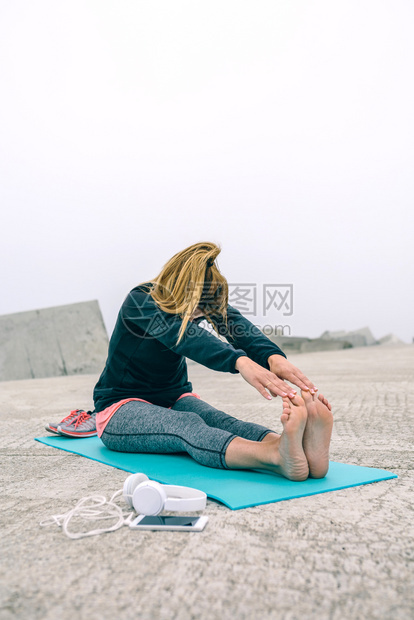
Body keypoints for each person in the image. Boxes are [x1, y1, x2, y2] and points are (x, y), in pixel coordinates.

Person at [92, 241, 333, 481]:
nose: (201, 313)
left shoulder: (198, 301)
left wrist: (274, 357)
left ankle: (293, 447)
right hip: (119, 408)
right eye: (198, 306)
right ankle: (275, 456)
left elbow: (237, 325)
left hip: (175, 398)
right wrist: (241, 362)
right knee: (187, 425)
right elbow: (184, 336)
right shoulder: (140, 300)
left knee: (223, 422)